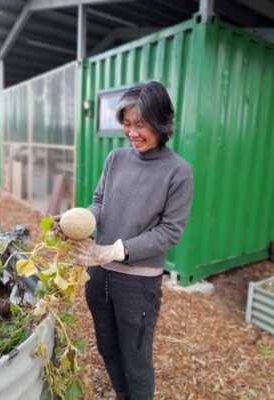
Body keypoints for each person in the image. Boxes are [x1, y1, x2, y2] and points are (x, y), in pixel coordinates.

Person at [59, 81, 193, 400]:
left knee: (137, 359)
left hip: (138, 286)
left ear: (161, 124)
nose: (132, 132)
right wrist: (77, 222)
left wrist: (116, 250)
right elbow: (100, 202)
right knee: (107, 347)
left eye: (141, 125)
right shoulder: (116, 158)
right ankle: (122, 393)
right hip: (99, 276)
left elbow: (170, 231)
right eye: (127, 124)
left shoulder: (178, 172)